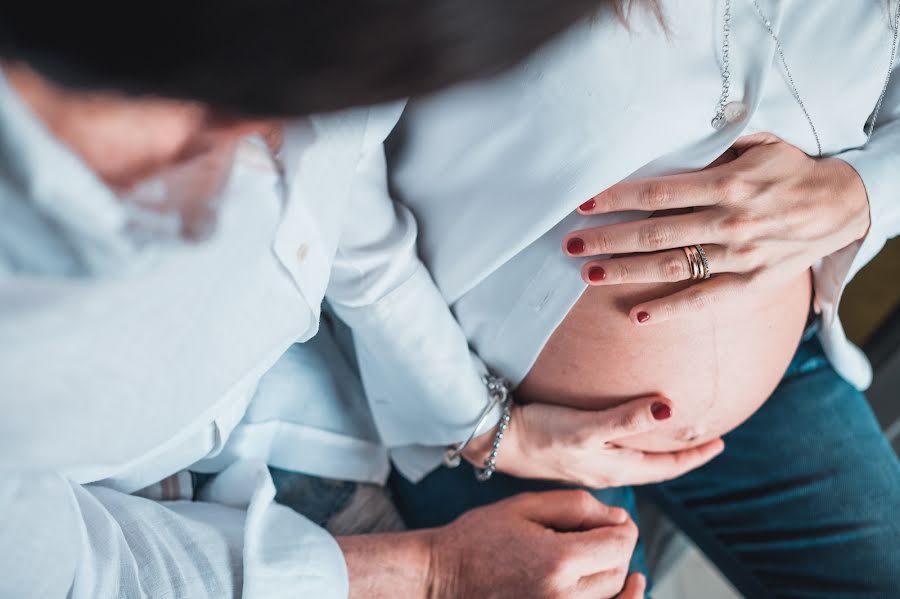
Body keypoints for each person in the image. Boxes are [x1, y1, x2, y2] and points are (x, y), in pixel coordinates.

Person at [0, 2, 652, 598]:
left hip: (321, 396)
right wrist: (434, 571)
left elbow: (344, 176)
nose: (253, 175)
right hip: (145, 522)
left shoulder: (336, 41)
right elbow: (86, 576)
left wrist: (475, 418)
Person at [312, 1, 899, 597]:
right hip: (490, 397)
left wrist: (862, 192)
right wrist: (481, 424)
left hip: (779, 364)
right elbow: (327, 169)